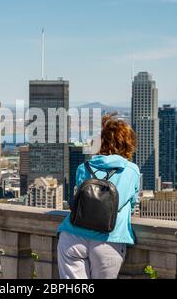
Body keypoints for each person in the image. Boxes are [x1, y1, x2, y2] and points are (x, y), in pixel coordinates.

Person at [57, 113, 140, 279]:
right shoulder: (131, 170)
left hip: (72, 237)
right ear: (127, 143)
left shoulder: (84, 167)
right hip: (109, 239)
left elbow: (77, 201)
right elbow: (130, 203)